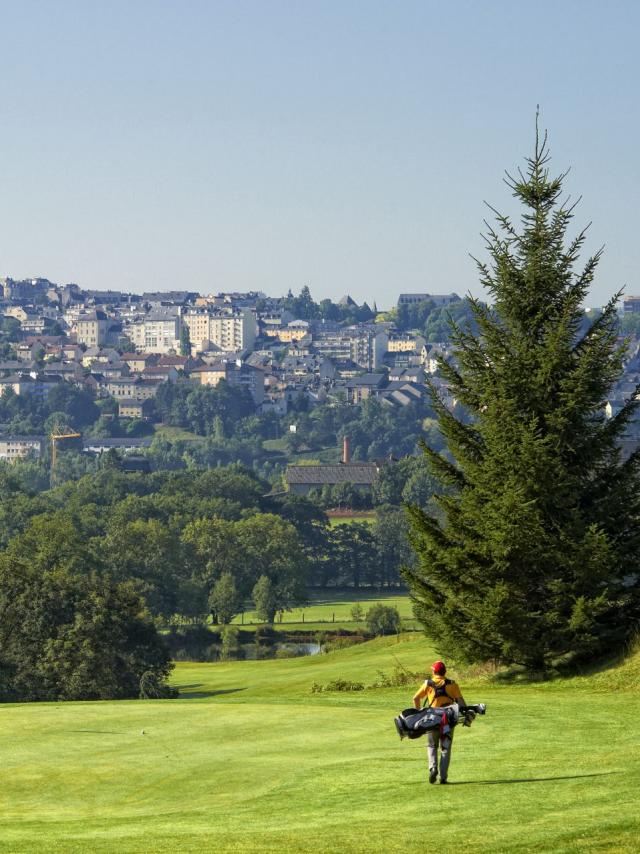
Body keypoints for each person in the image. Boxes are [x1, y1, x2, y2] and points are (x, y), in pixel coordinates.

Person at [412, 660, 466, 784]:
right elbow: (461, 703)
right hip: (448, 719)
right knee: (445, 748)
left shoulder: (428, 684)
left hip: (432, 718)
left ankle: (433, 768)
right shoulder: (453, 684)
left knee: (432, 745)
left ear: (434, 671)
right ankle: (443, 778)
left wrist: (419, 712)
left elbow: (415, 698)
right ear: (444, 672)